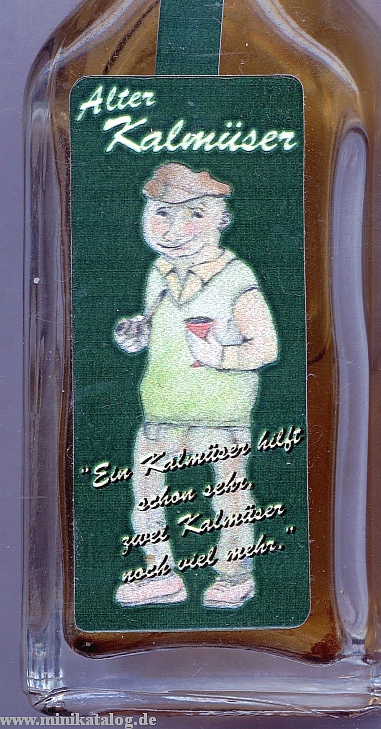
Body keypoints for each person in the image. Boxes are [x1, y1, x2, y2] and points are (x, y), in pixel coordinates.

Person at [114, 162, 278, 610]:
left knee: (229, 495)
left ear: (222, 220)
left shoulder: (236, 279)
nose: (174, 229)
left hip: (219, 414)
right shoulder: (158, 274)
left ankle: (234, 576)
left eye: (195, 214)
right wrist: (140, 333)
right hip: (160, 409)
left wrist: (219, 356)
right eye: (161, 213)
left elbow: (265, 347)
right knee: (146, 496)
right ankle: (160, 575)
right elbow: (161, 332)